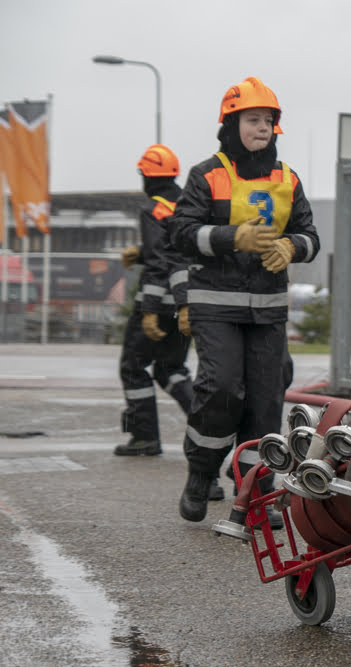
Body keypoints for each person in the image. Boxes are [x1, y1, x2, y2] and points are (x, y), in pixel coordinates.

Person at [169, 76, 319, 526]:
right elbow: (180, 234)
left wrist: (292, 247)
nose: (263, 127)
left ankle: (254, 493)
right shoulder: (206, 174)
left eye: (270, 121)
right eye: (254, 120)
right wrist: (232, 236)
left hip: (268, 309)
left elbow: (311, 235)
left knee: (264, 403)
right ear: (232, 124)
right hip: (215, 305)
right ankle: (201, 474)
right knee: (220, 388)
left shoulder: (288, 178)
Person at [114, 144, 196, 463]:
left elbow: (161, 262)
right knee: (171, 368)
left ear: (146, 175)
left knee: (133, 366)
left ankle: (144, 436)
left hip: (159, 302)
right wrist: (142, 251)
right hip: (185, 303)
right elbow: (177, 249)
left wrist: (148, 310)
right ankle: (205, 423)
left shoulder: (154, 208)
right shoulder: (188, 203)